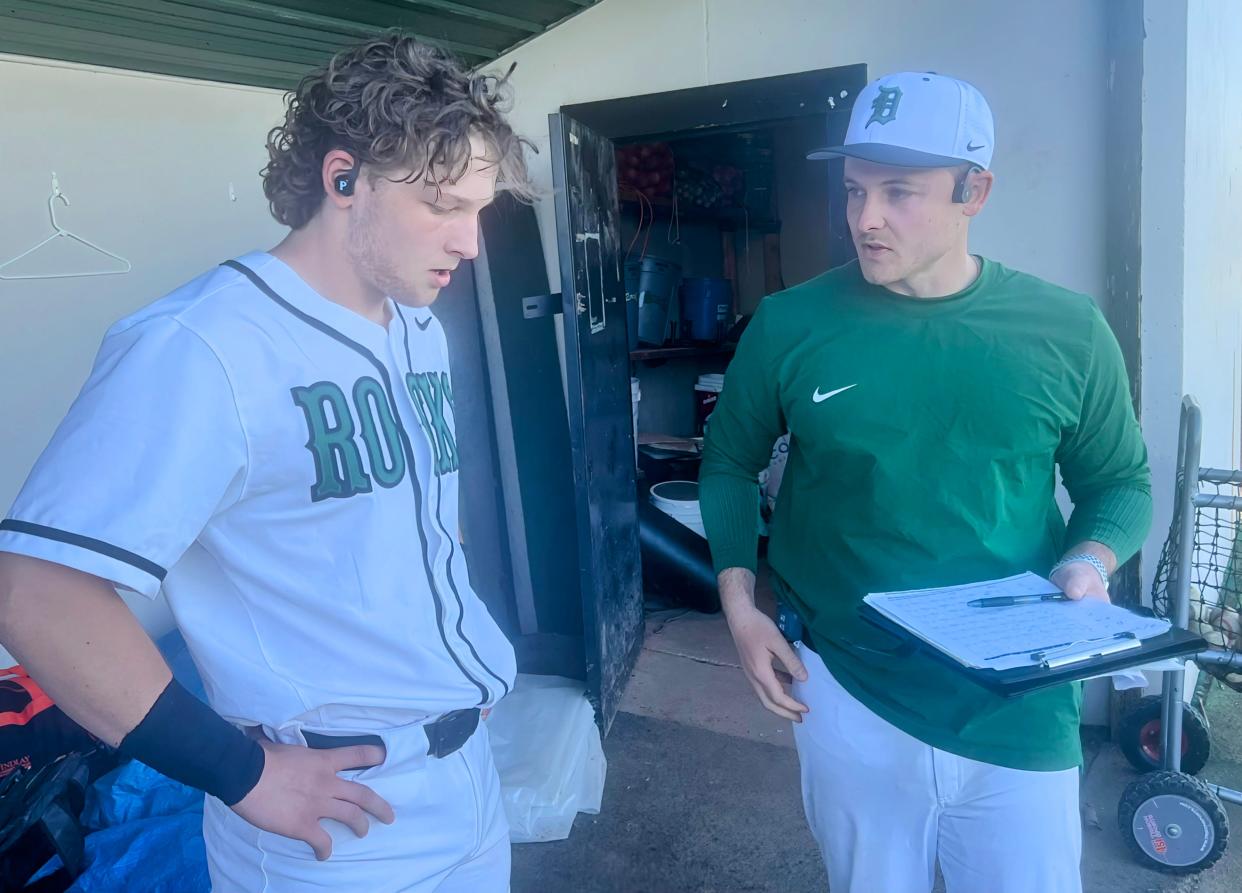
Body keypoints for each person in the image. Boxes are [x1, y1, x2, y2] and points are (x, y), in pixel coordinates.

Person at [0, 32, 532, 892]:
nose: (472, 242)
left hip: (466, 775)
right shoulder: (201, 346)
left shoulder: (419, 328)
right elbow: (35, 593)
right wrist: (239, 774)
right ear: (343, 179)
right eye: (443, 204)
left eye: (480, 207)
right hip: (335, 815)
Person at [699, 71, 1151, 893]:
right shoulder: (791, 323)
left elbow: (1120, 483)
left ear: (974, 190)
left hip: (1019, 699)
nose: (865, 219)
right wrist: (738, 604)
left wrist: (1088, 563)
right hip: (848, 685)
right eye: (854, 190)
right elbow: (728, 460)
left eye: (899, 192)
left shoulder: (1066, 330)